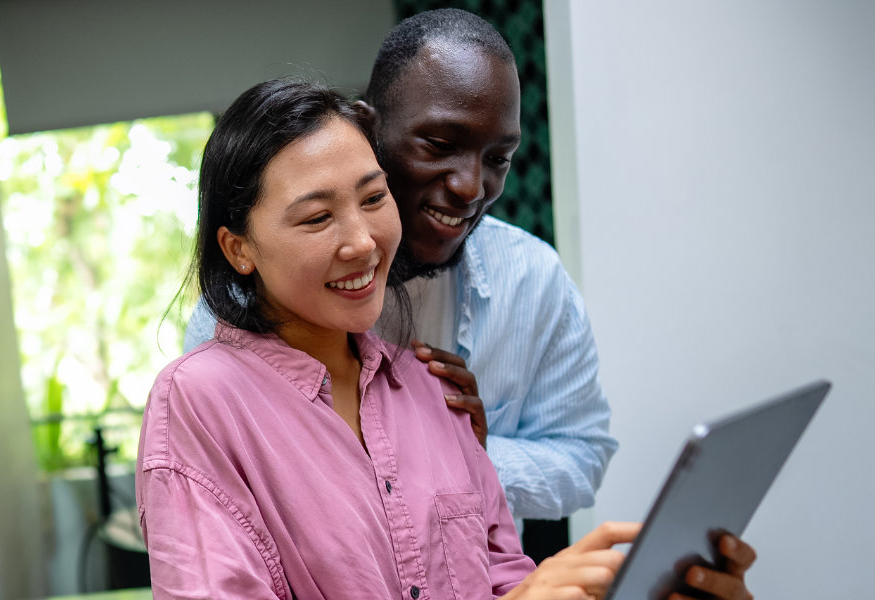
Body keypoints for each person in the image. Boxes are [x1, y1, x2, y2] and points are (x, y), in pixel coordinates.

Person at [138, 78, 756, 600]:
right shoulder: (198, 401)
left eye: (373, 198)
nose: (363, 241)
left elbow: (504, 581)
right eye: (318, 217)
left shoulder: (434, 391)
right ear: (238, 248)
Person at [185, 8, 614, 545]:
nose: (470, 186)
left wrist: (477, 455)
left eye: (499, 158)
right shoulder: (242, 311)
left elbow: (584, 455)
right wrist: (431, 457)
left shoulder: (533, 278)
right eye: (439, 145)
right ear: (369, 129)